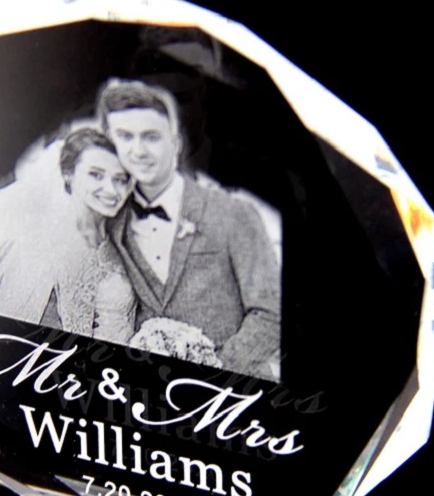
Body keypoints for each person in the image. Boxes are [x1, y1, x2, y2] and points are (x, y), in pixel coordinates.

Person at [98, 79, 281, 380]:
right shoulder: (112, 222)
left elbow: (272, 313)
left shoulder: (232, 213)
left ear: (176, 143)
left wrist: (216, 371)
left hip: (233, 388)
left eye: (151, 137)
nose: (138, 150)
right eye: (125, 137)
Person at [38, 128, 137, 342]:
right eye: (96, 175)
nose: (111, 190)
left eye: (120, 179)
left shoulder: (116, 237)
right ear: (68, 174)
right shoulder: (58, 247)